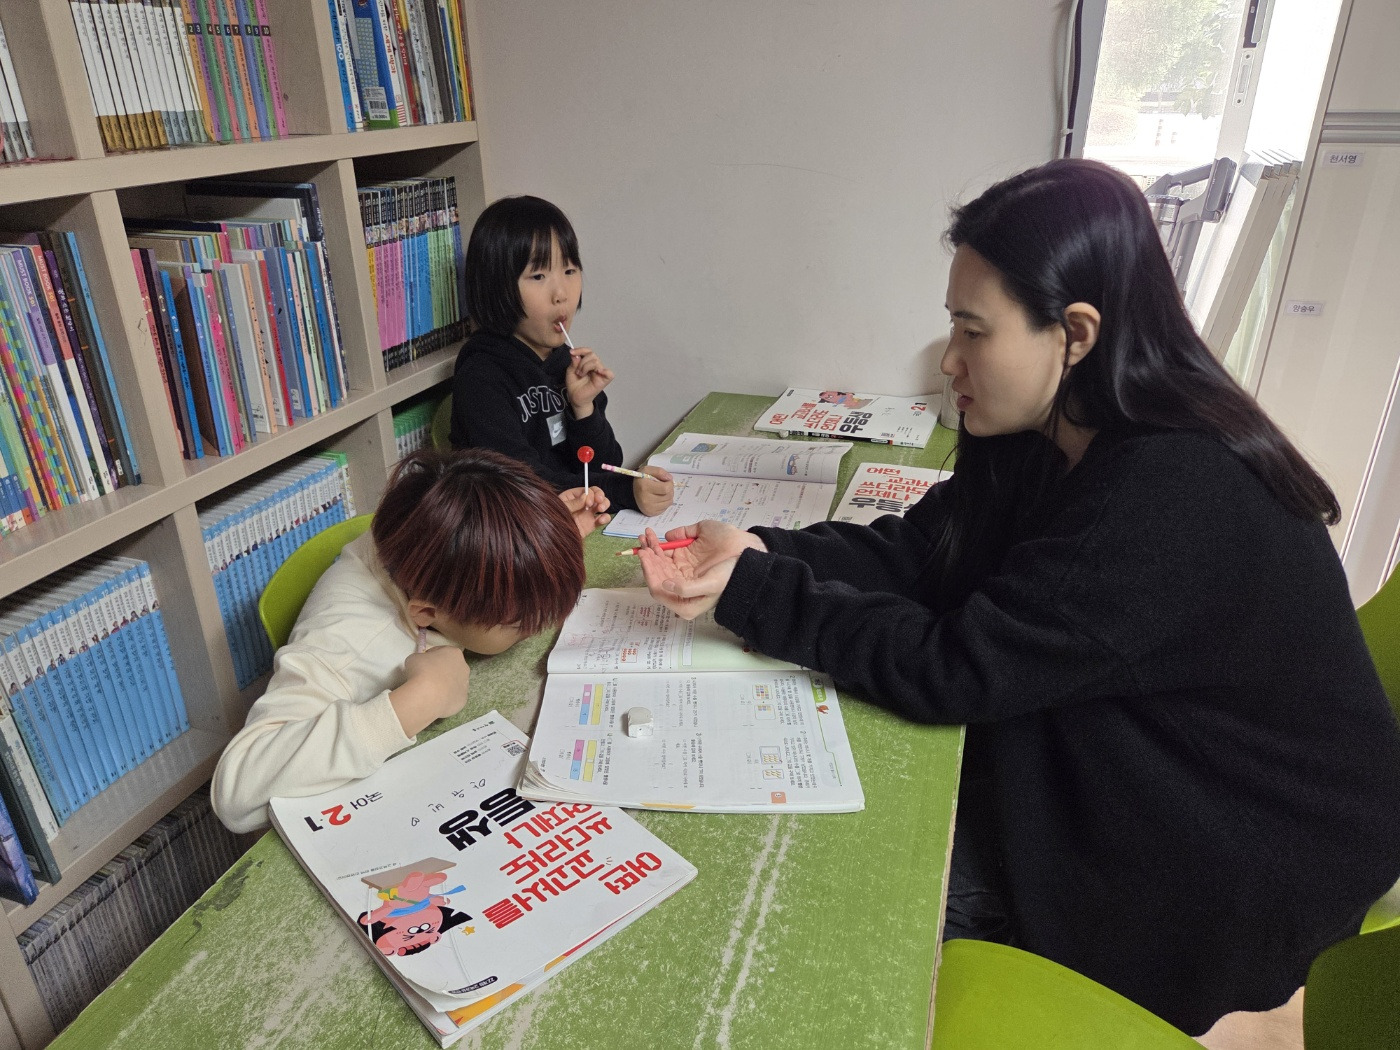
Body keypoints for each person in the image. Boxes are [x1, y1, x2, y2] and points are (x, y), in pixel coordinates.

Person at [635, 158, 1400, 1036]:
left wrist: (761, 594)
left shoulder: (1172, 490)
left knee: (837, 907)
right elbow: (926, 553)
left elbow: (956, 667)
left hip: (1216, 857)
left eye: (974, 330)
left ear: (1075, 333)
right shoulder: (1055, 431)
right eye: (951, 325)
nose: (950, 359)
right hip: (1135, 766)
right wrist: (763, 551)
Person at [212, 448, 600, 834]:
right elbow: (234, 792)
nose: (538, 627)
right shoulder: (348, 646)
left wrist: (537, 545)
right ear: (427, 613)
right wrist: (417, 700)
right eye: (520, 623)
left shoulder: (425, 530)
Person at [450, 195, 674, 516]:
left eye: (569, 270)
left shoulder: (564, 362)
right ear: (496, 286)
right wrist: (623, 491)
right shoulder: (481, 377)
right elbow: (522, 485)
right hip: (519, 530)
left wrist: (584, 409)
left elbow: (605, 464)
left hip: (572, 523)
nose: (561, 294)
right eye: (538, 276)